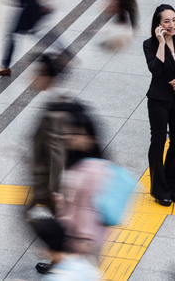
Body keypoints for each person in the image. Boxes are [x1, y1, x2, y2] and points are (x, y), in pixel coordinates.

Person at [32, 102, 104, 275]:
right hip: (71, 230)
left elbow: (90, 207)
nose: (71, 137)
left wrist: (83, 238)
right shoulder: (76, 158)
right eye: (70, 132)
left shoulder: (95, 169)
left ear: (91, 137)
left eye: (77, 133)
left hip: (82, 239)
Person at [142, 5, 175, 207]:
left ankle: (172, 188)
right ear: (158, 25)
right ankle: (158, 190)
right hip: (158, 101)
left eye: (174, 19)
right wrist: (162, 43)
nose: (172, 24)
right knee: (158, 143)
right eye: (167, 21)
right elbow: (155, 70)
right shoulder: (149, 44)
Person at [27, 54, 75, 218]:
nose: (33, 78)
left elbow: (57, 152)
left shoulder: (55, 108)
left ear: (48, 78)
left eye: (37, 74)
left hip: (46, 182)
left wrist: (57, 190)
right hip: (44, 180)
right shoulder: (54, 101)